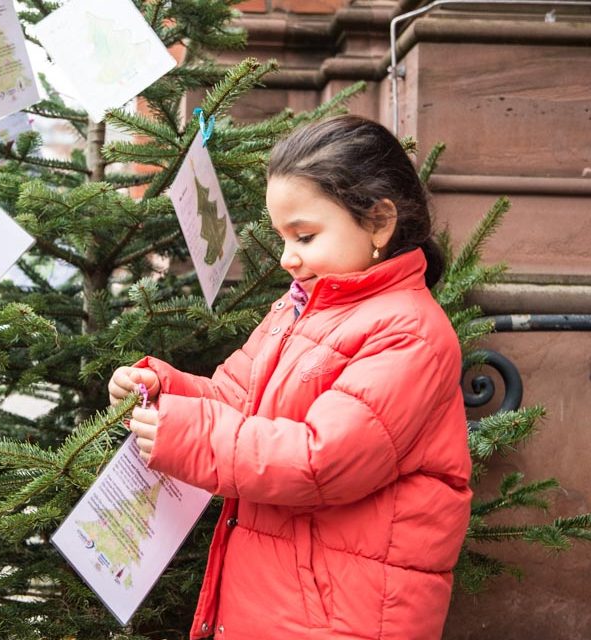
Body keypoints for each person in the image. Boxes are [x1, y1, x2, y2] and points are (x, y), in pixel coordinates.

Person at [110, 115, 472, 639]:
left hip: (342, 614)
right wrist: (164, 387)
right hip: (281, 599)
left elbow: (321, 459)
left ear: (379, 222)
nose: (287, 258)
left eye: (304, 236)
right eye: (283, 237)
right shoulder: (300, 307)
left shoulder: (410, 333)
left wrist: (184, 431)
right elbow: (236, 396)